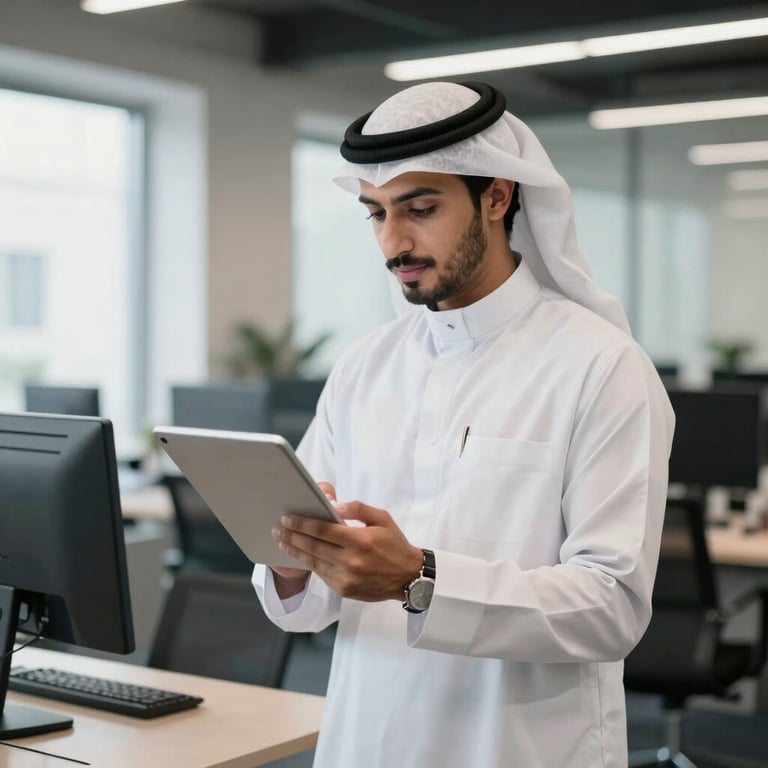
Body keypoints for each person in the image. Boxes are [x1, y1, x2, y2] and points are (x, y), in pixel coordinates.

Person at [252, 81, 674, 768]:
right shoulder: (364, 367)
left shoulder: (602, 367)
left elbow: (612, 606)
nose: (394, 242)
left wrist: (417, 579)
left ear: (498, 197)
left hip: (519, 744)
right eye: (376, 214)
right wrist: (295, 565)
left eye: (420, 209)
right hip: (368, 733)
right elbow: (307, 603)